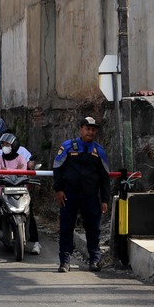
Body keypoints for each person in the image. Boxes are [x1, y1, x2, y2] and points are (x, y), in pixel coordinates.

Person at [53, 117, 111, 273]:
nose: (90, 132)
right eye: (87, 128)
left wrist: (105, 199)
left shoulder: (99, 151)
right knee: (66, 228)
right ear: (80, 129)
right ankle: (65, 261)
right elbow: (57, 169)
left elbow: (105, 177)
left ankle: (95, 260)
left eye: (93, 129)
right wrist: (58, 190)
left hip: (91, 197)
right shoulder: (67, 147)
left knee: (93, 229)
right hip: (68, 195)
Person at [0, 133, 28, 256]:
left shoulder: (21, 158)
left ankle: (35, 241)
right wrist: (15, 171)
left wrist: (6, 171)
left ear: (14, 145)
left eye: (7, 144)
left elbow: (23, 172)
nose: (5, 146)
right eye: (3, 144)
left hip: (20, 191)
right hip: (1, 192)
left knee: (30, 213)